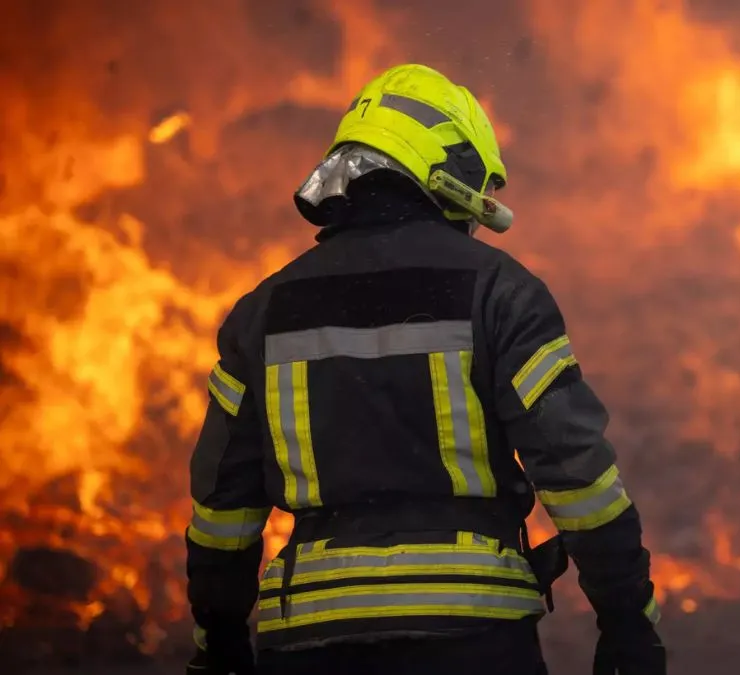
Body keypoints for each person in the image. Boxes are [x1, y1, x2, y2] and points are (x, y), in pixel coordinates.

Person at [183, 63, 666, 675]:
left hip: (310, 644)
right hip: (471, 639)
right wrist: (626, 617)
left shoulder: (262, 312)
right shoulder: (501, 291)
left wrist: (218, 639)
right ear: (451, 174)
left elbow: (224, 510)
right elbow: (578, 477)